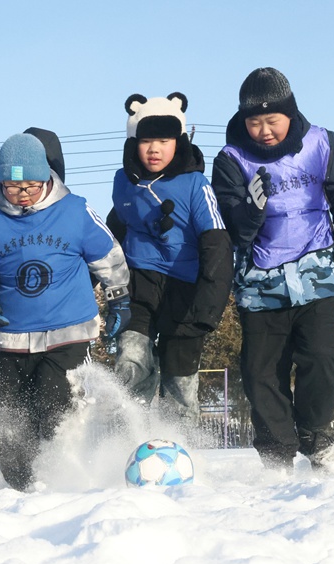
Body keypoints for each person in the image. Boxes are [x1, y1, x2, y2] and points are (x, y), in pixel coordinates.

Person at [211, 67, 334, 471]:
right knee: (262, 371)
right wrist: (250, 210)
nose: (264, 130)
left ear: (291, 115)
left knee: (323, 358)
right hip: (261, 283)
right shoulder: (230, 160)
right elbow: (233, 225)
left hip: (315, 273)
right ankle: (276, 451)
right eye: (254, 122)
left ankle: (317, 438)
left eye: (272, 120)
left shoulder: (320, 142)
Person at [0, 133, 130, 491]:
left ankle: (59, 477)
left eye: (30, 185)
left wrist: (119, 299)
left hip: (68, 333)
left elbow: (109, 256)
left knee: (52, 401)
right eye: (12, 186)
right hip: (12, 337)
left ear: (46, 178)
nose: (22, 193)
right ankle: (22, 487)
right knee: (3, 414)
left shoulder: (75, 210)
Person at [107, 92, 232, 423]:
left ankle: (180, 449)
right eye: (146, 140)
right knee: (130, 362)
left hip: (186, 289)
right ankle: (123, 440)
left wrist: (209, 305)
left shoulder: (195, 184)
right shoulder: (124, 181)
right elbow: (113, 229)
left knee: (179, 380)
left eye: (163, 140)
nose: (153, 149)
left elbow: (217, 242)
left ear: (178, 141)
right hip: (139, 284)